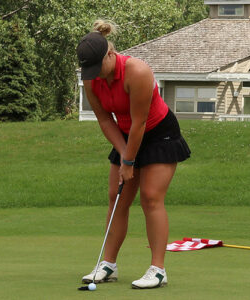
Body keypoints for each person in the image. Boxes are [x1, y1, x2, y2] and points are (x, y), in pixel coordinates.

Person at [76, 20, 190, 289]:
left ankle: (158, 269)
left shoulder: (137, 71)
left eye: (97, 67)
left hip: (158, 132)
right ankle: (108, 264)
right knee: (117, 197)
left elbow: (139, 122)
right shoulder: (92, 80)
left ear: (110, 54)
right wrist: (123, 154)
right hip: (126, 136)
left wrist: (129, 162)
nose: (94, 75)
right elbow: (105, 120)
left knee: (151, 197)